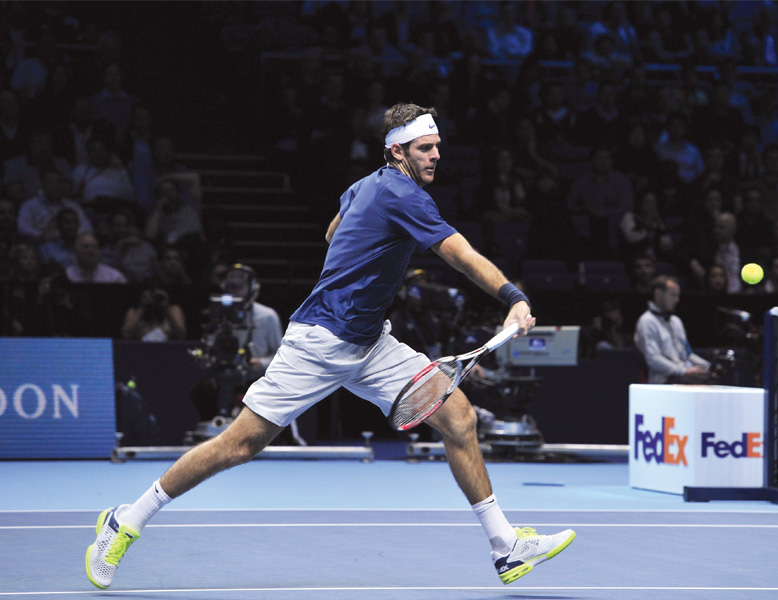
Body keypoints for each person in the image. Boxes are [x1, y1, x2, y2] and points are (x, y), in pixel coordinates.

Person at [85, 103, 575, 590]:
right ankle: (125, 520)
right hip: (320, 340)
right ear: (397, 151)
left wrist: (365, 256)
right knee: (239, 445)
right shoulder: (405, 196)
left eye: (438, 147)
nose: (436, 156)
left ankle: (504, 547)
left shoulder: (363, 186)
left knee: (459, 417)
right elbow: (461, 255)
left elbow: (332, 231)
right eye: (426, 148)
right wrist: (513, 297)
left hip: (370, 341)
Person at [634, 274, 712, 384]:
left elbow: (687, 355)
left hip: (683, 375)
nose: (677, 300)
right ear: (658, 294)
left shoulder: (676, 321)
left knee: (711, 377)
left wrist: (708, 367)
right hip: (664, 380)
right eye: (672, 295)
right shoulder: (646, 321)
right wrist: (683, 371)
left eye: (677, 295)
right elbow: (653, 359)